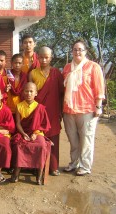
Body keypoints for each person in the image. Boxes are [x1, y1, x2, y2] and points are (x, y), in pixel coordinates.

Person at [62, 39, 105, 176]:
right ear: (72, 52)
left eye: (80, 49)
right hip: (69, 109)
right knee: (73, 140)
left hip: (87, 110)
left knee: (86, 139)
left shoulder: (93, 67)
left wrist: (98, 106)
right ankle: (74, 163)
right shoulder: (67, 67)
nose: (77, 52)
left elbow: (99, 88)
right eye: (75, 49)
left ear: (85, 51)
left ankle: (85, 166)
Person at [29, 46, 64, 176]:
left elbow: (61, 93)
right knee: (38, 138)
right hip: (38, 112)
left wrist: (61, 111)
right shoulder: (33, 73)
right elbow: (30, 93)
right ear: (37, 57)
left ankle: (53, 167)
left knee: (54, 137)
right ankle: (37, 166)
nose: (44, 60)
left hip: (53, 111)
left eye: (47, 57)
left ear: (51, 58)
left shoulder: (56, 73)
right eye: (41, 57)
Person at [10, 82, 51, 185]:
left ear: (36, 93)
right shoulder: (19, 106)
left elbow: (43, 125)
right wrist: (23, 133)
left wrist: (35, 133)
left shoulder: (40, 107)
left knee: (41, 146)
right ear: (23, 93)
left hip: (37, 133)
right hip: (23, 132)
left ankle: (39, 174)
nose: (28, 93)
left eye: (31, 91)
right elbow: (18, 124)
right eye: (26, 91)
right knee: (19, 145)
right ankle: (16, 172)